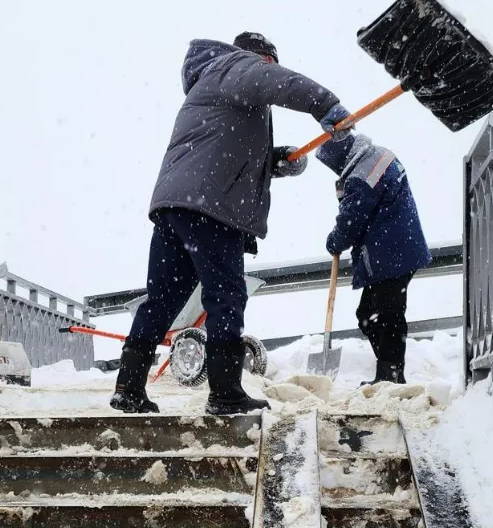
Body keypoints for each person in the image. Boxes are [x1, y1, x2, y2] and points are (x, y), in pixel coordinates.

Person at [111, 32, 353, 416]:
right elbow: (283, 83)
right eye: (267, 64)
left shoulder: (212, 81)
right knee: (226, 295)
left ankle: (128, 387)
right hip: (210, 207)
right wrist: (327, 105)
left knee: (163, 299)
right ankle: (224, 393)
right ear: (259, 58)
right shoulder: (236, 65)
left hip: (177, 204)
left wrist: (274, 159)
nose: (267, 72)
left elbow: (222, 148)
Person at [316, 132, 432, 385]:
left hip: (389, 255)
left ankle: (390, 377)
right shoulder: (380, 155)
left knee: (386, 315)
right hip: (403, 246)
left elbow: (351, 222)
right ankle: (389, 372)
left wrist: (334, 241)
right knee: (370, 314)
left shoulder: (360, 178)